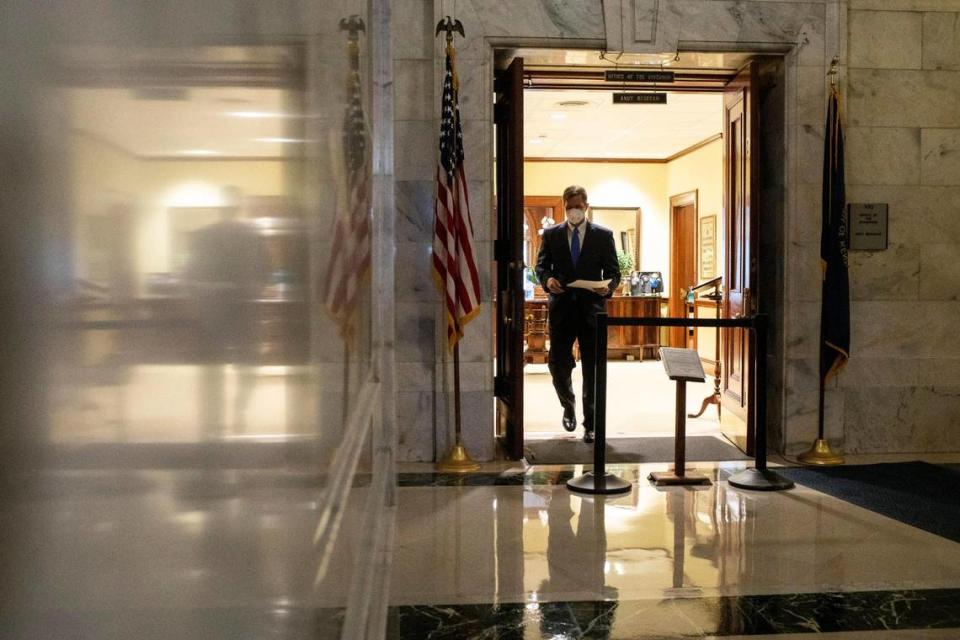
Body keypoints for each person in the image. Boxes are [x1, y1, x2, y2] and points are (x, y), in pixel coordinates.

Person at [535, 185, 620, 443]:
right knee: (557, 365)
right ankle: (568, 405)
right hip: (561, 309)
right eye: (569, 206)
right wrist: (548, 280)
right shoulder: (551, 235)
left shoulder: (603, 236)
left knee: (593, 369)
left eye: (578, 206)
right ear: (564, 206)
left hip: (591, 309)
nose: (574, 211)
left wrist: (608, 287)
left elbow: (614, 272)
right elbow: (540, 267)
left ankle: (591, 423)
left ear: (586, 206)